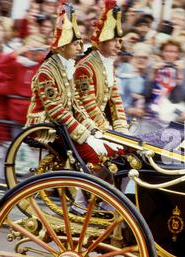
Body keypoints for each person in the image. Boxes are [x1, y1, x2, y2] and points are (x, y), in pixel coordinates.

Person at [24, 1, 122, 165]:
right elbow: (56, 110)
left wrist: (93, 129)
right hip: (47, 127)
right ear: (62, 47)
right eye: (76, 44)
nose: (80, 48)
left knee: (109, 151)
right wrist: (85, 135)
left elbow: (77, 105)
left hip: (64, 126)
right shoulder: (46, 72)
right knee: (95, 157)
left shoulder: (68, 66)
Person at [74, 0, 129, 135]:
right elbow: (88, 105)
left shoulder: (109, 65)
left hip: (101, 126)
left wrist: (122, 127)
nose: (118, 46)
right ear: (102, 41)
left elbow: (115, 100)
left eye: (119, 41)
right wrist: (108, 129)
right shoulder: (85, 67)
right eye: (114, 41)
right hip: (83, 126)